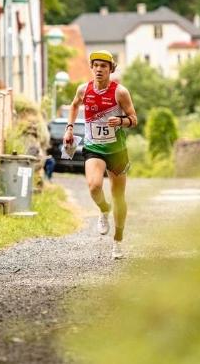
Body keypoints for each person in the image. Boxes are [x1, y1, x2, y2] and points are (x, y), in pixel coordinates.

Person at [64, 50, 138, 259]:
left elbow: (134, 119)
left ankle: (118, 241)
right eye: (95, 65)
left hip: (116, 150)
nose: (98, 69)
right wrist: (69, 128)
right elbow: (74, 105)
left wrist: (122, 121)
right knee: (94, 186)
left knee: (119, 197)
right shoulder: (83, 90)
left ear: (110, 69)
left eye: (103, 66)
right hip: (94, 147)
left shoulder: (120, 92)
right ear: (91, 67)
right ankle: (103, 210)